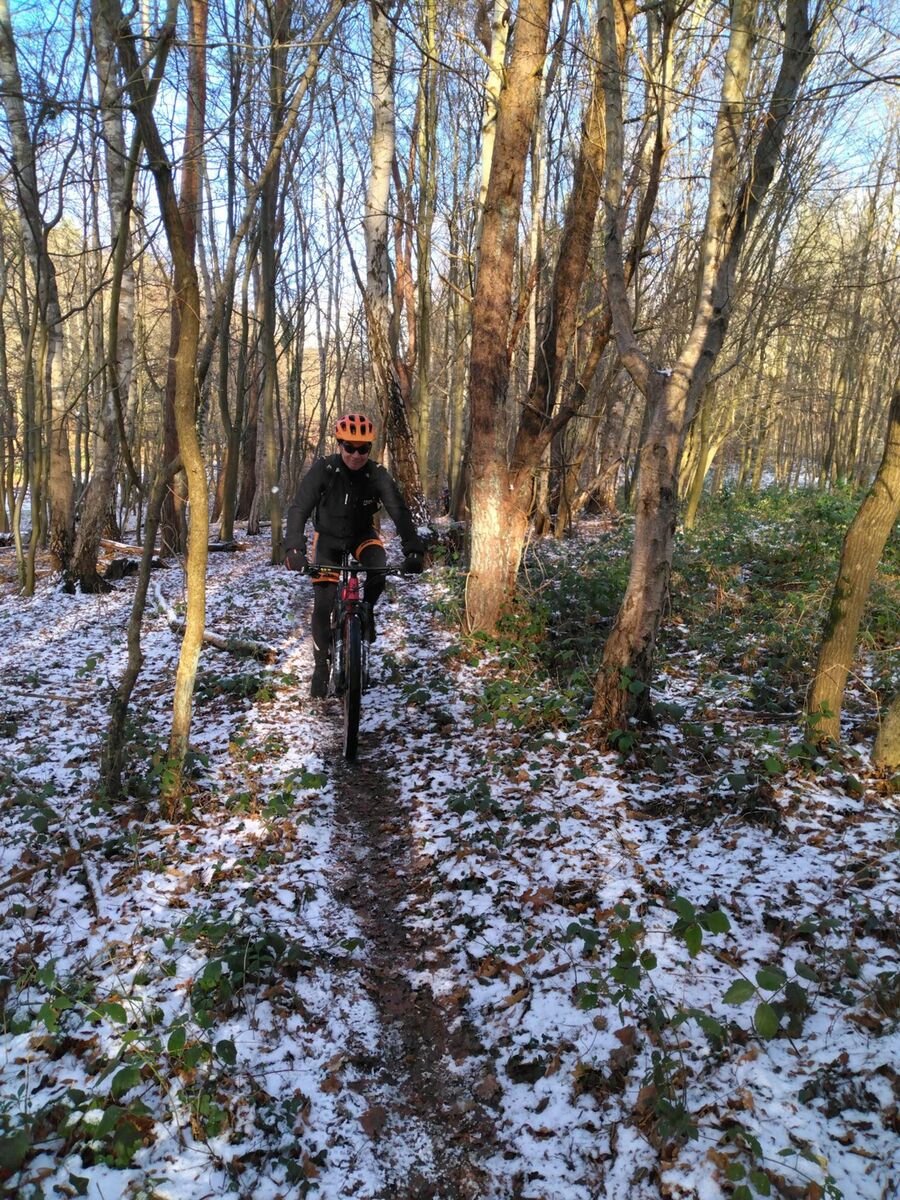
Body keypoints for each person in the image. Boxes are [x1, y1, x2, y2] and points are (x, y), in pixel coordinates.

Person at [284, 413, 425, 698]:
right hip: (328, 539)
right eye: (349, 447)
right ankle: (321, 665)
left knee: (378, 567)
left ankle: (367, 611)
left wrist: (413, 549)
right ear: (340, 444)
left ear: (370, 449)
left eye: (363, 449)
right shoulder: (325, 469)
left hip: (362, 535)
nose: (356, 455)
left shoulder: (377, 474)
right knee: (324, 602)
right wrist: (294, 548)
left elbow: (399, 511)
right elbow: (299, 508)